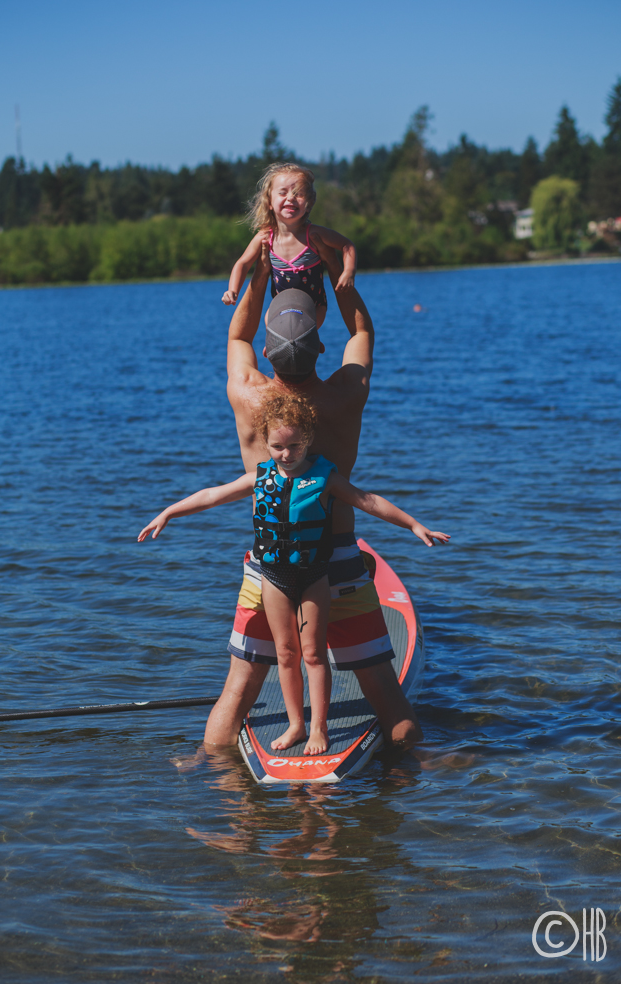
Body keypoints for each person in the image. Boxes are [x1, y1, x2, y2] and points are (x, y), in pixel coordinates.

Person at [204, 249, 431, 750]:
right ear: (320, 344)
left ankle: (209, 774)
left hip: (271, 569)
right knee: (387, 698)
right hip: (340, 561)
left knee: (239, 690)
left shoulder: (247, 393)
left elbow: (237, 335)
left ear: (267, 350)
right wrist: (336, 269)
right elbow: (362, 334)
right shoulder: (345, 395)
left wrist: (261, 274)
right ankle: (414, 773)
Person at [138, 393, 449, 756]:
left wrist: (414, 525)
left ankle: (319, 728)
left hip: (315, 575)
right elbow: (212, 495)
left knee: (314, 654)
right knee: (286, 655)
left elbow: (368, 500)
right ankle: (296, 725)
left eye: (295, 445)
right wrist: (168, 513)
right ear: (266, 443)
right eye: (278, 447)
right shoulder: (260, 476)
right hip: (272, 577)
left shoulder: (324, 477)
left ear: (309, 440)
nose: (286, 454)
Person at [221, 162, 356, 328]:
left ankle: (310, 343)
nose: (290, 198)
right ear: (269, 201)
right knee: (269, 322)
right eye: (282, 193)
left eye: (298, 194)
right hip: (280, 308)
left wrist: (349, 272)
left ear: (309, 202)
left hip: (315, 307)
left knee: (305, 330)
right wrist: (232, 290)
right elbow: (243, 263)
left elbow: (347, 245)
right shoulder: (266, 237)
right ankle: (273, 348)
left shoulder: (314, 234)